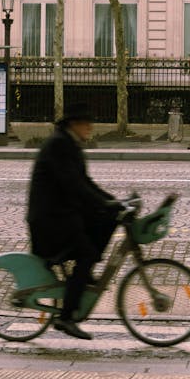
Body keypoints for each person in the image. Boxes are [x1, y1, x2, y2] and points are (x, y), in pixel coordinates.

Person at [26, 101, 121, 340]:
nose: (90, 128)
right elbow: (75, 186)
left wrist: (113, 202)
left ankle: (84, 273)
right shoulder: (59, 145)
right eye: (86, 123)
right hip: (50, 222)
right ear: (74, 124)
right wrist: (104, 203)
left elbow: (86, 182)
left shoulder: (68, 143)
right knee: (87, 253)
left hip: (62, 215)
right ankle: (66, 317)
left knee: (108, 218)